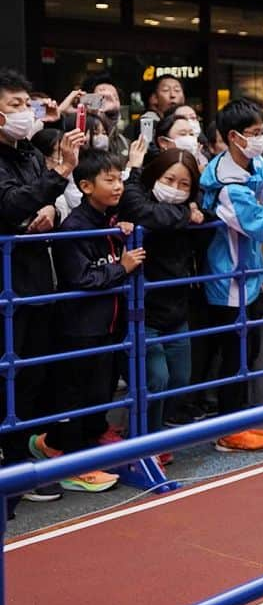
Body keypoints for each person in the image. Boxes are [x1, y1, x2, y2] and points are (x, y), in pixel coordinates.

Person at [29, 149, 147, 492]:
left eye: (119, 178)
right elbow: (81, 277)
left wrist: (122, 235)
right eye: (108, 180)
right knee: (75, 394)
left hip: (110, 325)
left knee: (101, 391)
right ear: (85, 186)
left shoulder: (111, 222)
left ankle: (66, 446)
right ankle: (71, 460)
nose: (118, 186)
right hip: (79, 327)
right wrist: (121, 267)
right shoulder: (75, 227)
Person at [0, 71, 85, 506]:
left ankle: (22, 464)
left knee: (33, 377)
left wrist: (50, 204)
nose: (23, 112)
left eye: (24, 104)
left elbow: (40, 198)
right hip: (8, 288)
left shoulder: (27, 152)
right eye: (14, 105)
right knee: (8, 379)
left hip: (38, 281)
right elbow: (10, 204)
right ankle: (11, 475)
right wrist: (56, 177)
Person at [200, 99, 263, 452]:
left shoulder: (254, 165)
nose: (260, 140)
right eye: (255, 134)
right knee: (233, 355)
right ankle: (228, 429)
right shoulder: (226, 185)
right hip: (229, 282)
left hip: (250, 277)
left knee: (248, 351)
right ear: (234, 137)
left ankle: (238, 419)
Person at [120, 143, 209, 435]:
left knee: (180, 380)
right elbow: (144, 212)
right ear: (155, 176)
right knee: (155, 379)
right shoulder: (140, 202)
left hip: (177, 310)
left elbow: (211, 219)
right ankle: (145, 440)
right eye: (169, 180)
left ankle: (156, 436)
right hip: (143, 311)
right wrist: (185, 215)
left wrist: (193, 211)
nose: (175, 188)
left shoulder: (194, 209)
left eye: (184, 184)